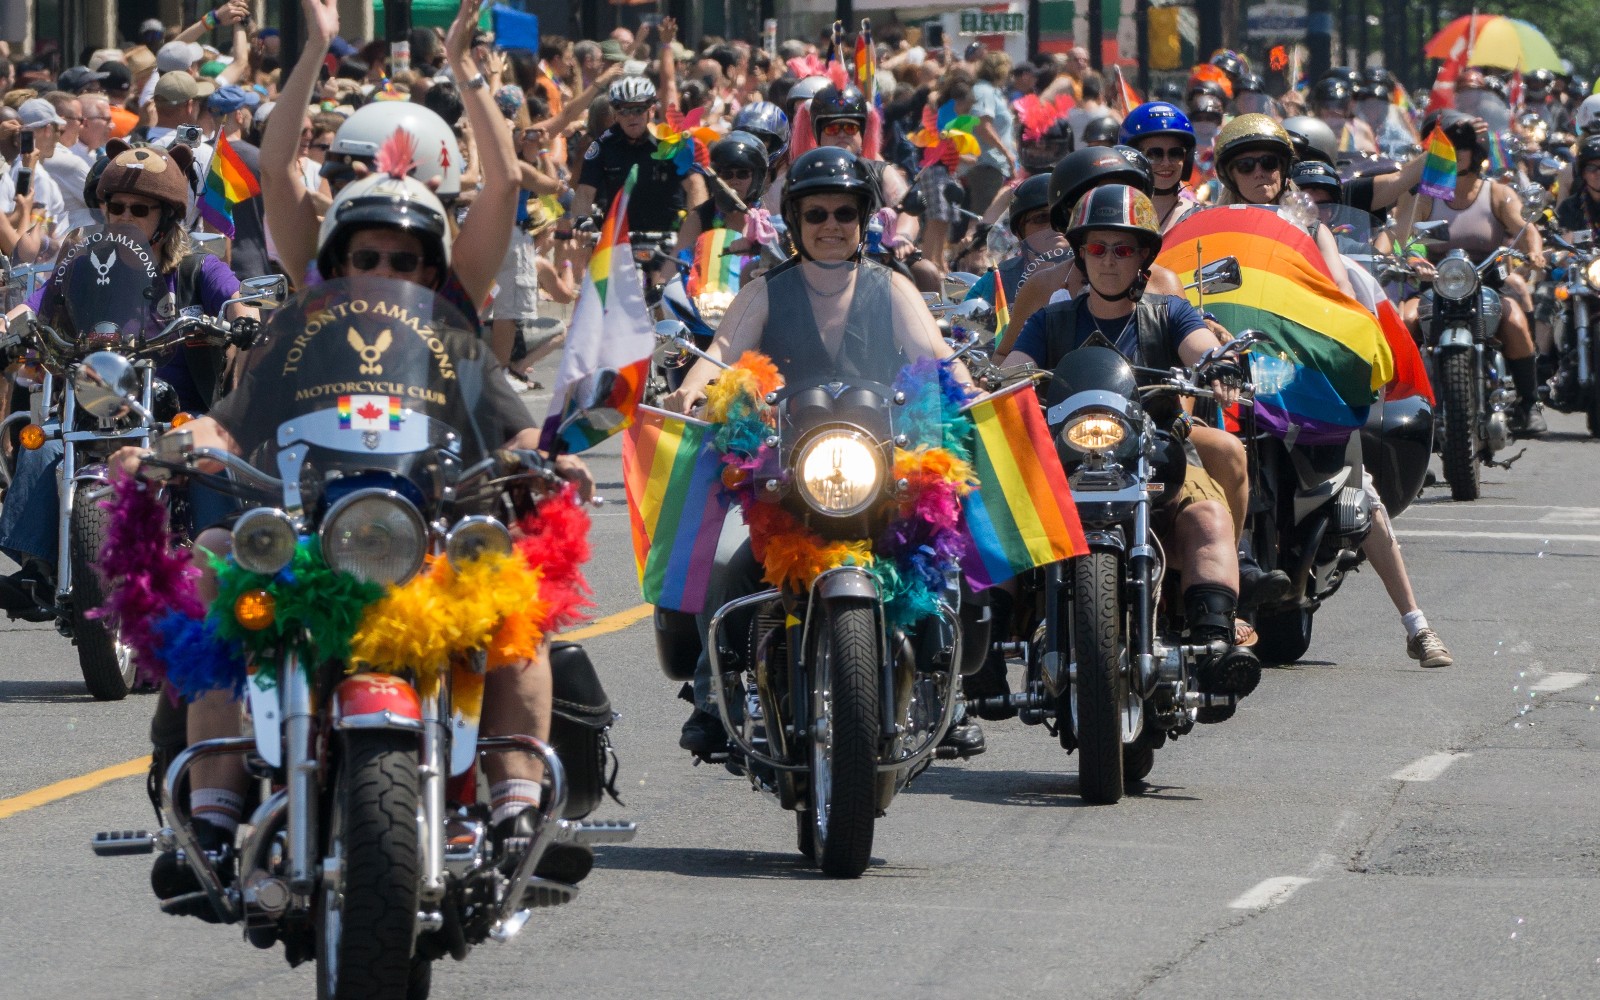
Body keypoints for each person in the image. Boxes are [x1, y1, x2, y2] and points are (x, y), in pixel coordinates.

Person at [116, 0, 600, 911]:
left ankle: (517, 809)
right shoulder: (294, 331)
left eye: (408, 256)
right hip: (310, 530)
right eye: (367, 250)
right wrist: (192, 441)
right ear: (339, 254)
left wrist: (547, 456)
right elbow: (228, 415)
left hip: (429, 530)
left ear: (431, 263)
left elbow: (517, 408)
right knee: (217, 573)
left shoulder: (455, 330)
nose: (387, 266)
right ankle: (214, 813)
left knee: (518, 617)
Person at [659, 146, 982, 759]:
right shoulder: (764, 290)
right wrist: (688, 391)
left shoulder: (892, 286)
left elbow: (939, 355)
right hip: (782, 462)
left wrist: (969, 390)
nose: (830, 225)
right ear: (796, 222)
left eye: (844, 212)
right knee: (722, 554)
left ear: (864, 218)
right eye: (815, 214)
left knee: (939, 553)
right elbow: (721, 352)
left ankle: (948, 690)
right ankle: (711, 692)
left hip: (883, 460)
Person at [1002, 184, 1261, 697]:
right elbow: (1015, 366)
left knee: (1210, 519)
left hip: (1158, 456)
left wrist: (1217, 363)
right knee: (993, 509)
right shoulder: (1050, 320)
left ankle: (1213, 642)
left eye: (1123, 248)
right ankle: (982, 644)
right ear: (1079, 253)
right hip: (1063, 464)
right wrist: (989, 377)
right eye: (1097, 248)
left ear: (1144, 253)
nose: (1109, 260)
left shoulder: (1170, 313)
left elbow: (1200, 346)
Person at [0, 141, 257, 615]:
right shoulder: (81, 264)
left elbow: (234, 296)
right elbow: (35, 306)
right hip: (96, 402)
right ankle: (40, 572)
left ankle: (219, 570)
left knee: (201, 456)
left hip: (173, 406)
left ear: (167, 217)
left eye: (139, 208)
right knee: (47, 445)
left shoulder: (195, 266)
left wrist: (243, 317)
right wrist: (9, 323)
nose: (124, 215)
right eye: (114, 206)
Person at [1394, 108, 1546, 436]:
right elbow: (1403, 237)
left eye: (1461, 147)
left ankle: (1529, 402)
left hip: (1486, 279)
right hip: (1437, 281)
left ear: (1476, 152)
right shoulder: (1426, 196)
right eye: (1447, 147)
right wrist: (1412, 260)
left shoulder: (1497, 193)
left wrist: (1533, 250)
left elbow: (1525, 228)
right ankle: (1400, 402)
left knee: (1516, 322)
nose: (1455, 154)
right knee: (1404, 321)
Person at [566, 74, 708, 237]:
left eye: (638, 110)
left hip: (668, 238)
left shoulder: (671, 141)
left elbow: (695, 185)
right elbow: (584, 192)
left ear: (652, 110)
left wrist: (695, 228)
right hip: (617, 240)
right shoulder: (602, 146)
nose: (631, 117)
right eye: (624, 110)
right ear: (616, 114)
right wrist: (583, 220)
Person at [1119, 101, 1201, 232]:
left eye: (1175, 153)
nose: (1166, 163)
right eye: (1154, 154)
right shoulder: (1114, 216)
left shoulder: (1201, 218)